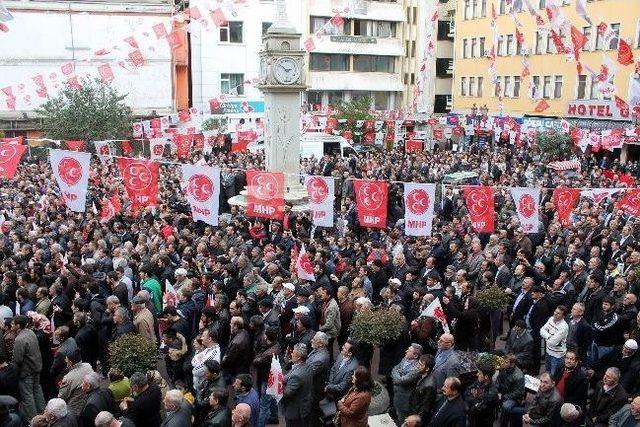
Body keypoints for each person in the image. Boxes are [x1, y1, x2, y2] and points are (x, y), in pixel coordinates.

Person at [11, 315, 45, 421]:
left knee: (28, 397)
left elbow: (17, 360)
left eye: (13, 324)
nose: (11, 326)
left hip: (27, 372)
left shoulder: (19, 339)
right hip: (36, 368)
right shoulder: (30, 332)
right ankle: (43, 415)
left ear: (18, 326)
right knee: (37, 391)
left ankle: (34, 420)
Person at [279, 343, 313, 427]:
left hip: (294, 411)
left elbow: (287, 393)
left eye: (293, 352)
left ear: (298, 357)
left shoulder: (297, 375)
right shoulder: (306, 366)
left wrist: (277, 385)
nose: (291, 354)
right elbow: (289, 376)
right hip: (304, 405)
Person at [391, 343, 423, 424]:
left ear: (415, 356)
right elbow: (394, 369)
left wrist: (397, 375)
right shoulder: (405, 359)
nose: (406, 351)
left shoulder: (416, 369)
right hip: (397, 396)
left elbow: (401, 381)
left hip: (404, 401)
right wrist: (398, 375)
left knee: (402, 421)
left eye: (409, 351)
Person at [58, 349, 94, 417]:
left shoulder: (68, 378)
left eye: (66, 360)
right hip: (90, 400)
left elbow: (61, 397)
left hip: (75, 409)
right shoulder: (88, 366)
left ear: (70, 362)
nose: (65, 361)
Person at [465, 359, 499, 427]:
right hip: (473, 420)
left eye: (479, 373)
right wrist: (475, 400)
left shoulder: (492, 392)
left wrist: (473, 398)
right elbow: (467, 391)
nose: (477, 374)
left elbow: (477, 409)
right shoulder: (479, 382)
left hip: (483, 422)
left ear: (486, 377)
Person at [496, 354, 526, 427]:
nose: (503, 363)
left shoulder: (519, 376)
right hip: (503, 392)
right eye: (503, 361)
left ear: (512, 364)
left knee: (506, 406)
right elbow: (498, 381)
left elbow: (519, 393)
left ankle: (503, 424)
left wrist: (503, 396)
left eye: (505, 362)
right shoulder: (503, 368)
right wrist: (497, 391)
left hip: (514, 398)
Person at [540, 305, 569, 377]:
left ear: (563, 316)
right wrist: (549, 336)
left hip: (557, 356)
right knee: (547, 373)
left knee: (554, 376)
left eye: (558, 313)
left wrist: (546, 336)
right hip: (548, 351)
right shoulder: (551, 319)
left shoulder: (564, 326)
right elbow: (541, 330)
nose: (555, 313)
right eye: (555, 311)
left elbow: (553, 342)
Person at [411, 354, 436, 424]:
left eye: (420, 365)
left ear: (427, 369)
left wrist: (415, 419)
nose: (417, 366)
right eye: (418, 363)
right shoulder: (421, 375)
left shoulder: (429, 386)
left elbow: (425, 408)